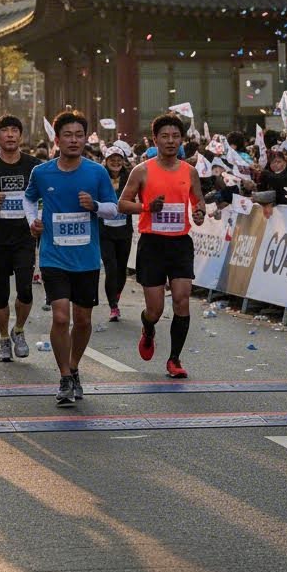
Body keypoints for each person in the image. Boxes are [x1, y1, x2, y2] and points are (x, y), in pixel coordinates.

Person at [24, 110, 120, 407]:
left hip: (87, 258)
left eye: (79, 135)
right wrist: (32, 221)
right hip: (53, 256)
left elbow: (114, 210)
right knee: (61, 316)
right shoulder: (42, 172)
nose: (74, 140)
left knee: (82, 320)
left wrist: (94, 206)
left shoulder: (97, 172)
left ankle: (75, 365)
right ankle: (64, 376)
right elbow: (29, 198)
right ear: (57, 139)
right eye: (68, 135)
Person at [117, 113, 207, 379]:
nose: (170, 141)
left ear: (182, 140)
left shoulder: (189, 171)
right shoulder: (142, 170)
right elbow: (122, 204)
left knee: (181, 301)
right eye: (165, 136)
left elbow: (198, 202)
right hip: (152, 244)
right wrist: (147, 207)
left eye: (175, 137)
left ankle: (174, 359)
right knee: (155, 310)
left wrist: (200, 212)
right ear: (155, 139)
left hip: (180, 243)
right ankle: (148, 328)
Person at [0, 115, 40, 362]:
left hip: (24, 237)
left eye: (15, 130)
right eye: (5, 131)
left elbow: (42, 198)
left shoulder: (34, 166)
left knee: (25, 289)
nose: (11, 135)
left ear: (21, 136)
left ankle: (19, 330)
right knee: (1, 293)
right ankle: (4, 338)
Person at [99, 145, 132, 321]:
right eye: (112, 159)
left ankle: (116, 294)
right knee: (111, 268)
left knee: (121, 270)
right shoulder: (99, 176)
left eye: (119, 159)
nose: (116, 162)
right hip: (104, 232)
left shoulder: (130, 177)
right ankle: (113, 305)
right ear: (106, 161)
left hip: (124, 231)